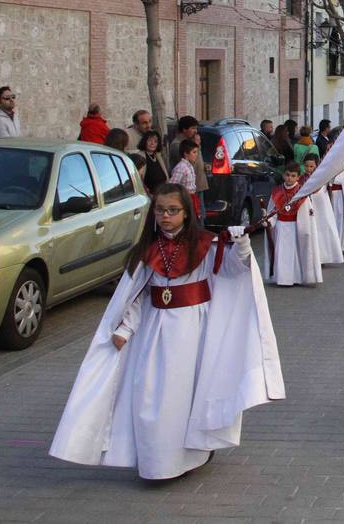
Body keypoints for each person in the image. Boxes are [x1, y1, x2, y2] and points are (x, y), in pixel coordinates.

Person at [49, 183, 283, 481]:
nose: (166, 216)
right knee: (150, 395)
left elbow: (235, 272)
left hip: (193, 332)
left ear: (187, 213)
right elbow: (136, 294)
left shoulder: (206, 244)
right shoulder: (147, 250)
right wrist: (125, 327)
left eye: (173, 210)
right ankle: (156, 463)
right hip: (155, 332)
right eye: (160, 210)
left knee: (186, 398)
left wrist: (241, 244)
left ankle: (189, 456)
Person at [263, 162, 323, 286]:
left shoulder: (302, 193)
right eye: (287, 175)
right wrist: (268, 222)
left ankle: (296, 277)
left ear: (297, 177)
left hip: (296, 227)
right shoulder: (277, 192)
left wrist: (305, 230)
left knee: (294, 253)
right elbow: (272, 212)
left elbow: (306, 215)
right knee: (281, 253)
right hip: (281, 226)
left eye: (293, 176)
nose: (290, 178)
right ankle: (282, 278)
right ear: (284, 175)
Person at [301, 156, 344, 265]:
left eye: (311, 166)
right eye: (306, 166)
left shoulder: (322, 177)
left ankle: (323, 257)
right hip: (308, 209)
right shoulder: (301, 179)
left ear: (316, 165)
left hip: (322, 209)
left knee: (323, 231)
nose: (309, 168)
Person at [169, 117, 208, 206]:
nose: (196, 131)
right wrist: (196, 145)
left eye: (196, 128)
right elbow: (187, 163)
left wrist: (204, 165)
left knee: (201, 213)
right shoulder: (178, 144)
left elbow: (197, 158)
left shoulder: (191, 141)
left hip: (198, 184)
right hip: (188, 189)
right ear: (184, 129)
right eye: (193, 128)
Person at [169, 141, 202, 217]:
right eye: (194, 152)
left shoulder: (189, 166)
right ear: (186, 154)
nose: (196, 155)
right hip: (185, 199)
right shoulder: (181, 167)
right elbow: (172, 186)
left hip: (191, 198)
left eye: (197, 152)